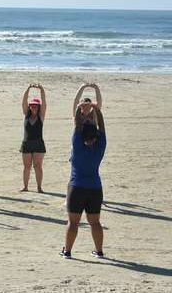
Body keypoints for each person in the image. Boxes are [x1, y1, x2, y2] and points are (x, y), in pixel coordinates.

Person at [60, 98, 107, 259]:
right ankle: (99, 251)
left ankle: (67, 251)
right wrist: (97, 111)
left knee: (73, 222)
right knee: (95, 222)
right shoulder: (100, 147)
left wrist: (80, 109)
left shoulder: (78, 146)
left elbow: (77, 125)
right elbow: (102, 129)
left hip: (76, 187)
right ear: (95, 136)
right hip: (95, 188)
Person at [21, 83, 47, 193]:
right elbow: (23, 101)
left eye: (36, 105)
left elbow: (44, 102)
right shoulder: (26, 115)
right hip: (26, 143)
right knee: (27, 167)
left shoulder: (41, 116)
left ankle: (39, 187)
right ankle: (26, 187)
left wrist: (41, 89)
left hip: (38, 143)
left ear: (39, 107)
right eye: (32, 105)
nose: (33, 107)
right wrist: (28, 88)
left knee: (37, 166)